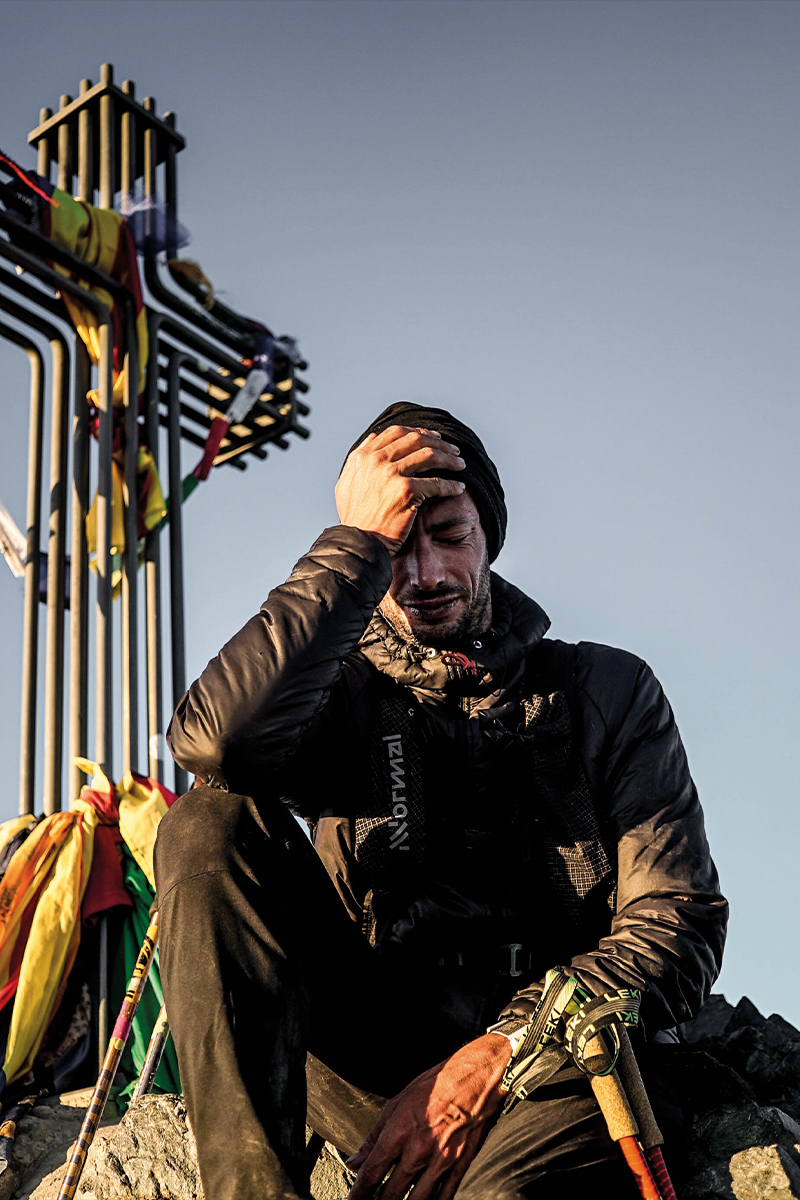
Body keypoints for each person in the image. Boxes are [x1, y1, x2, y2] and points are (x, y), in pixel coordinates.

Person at [154, 402, 727, 1200]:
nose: (423, 576)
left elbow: (679, 924)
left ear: (489, 534)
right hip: (373, 1069)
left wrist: (501, 1049)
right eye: (395, 549)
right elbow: (216, 746)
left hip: (563, 1072)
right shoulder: (339, 695)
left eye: (449, 537)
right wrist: (350, 552)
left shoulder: (606, 691)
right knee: (208, 824)